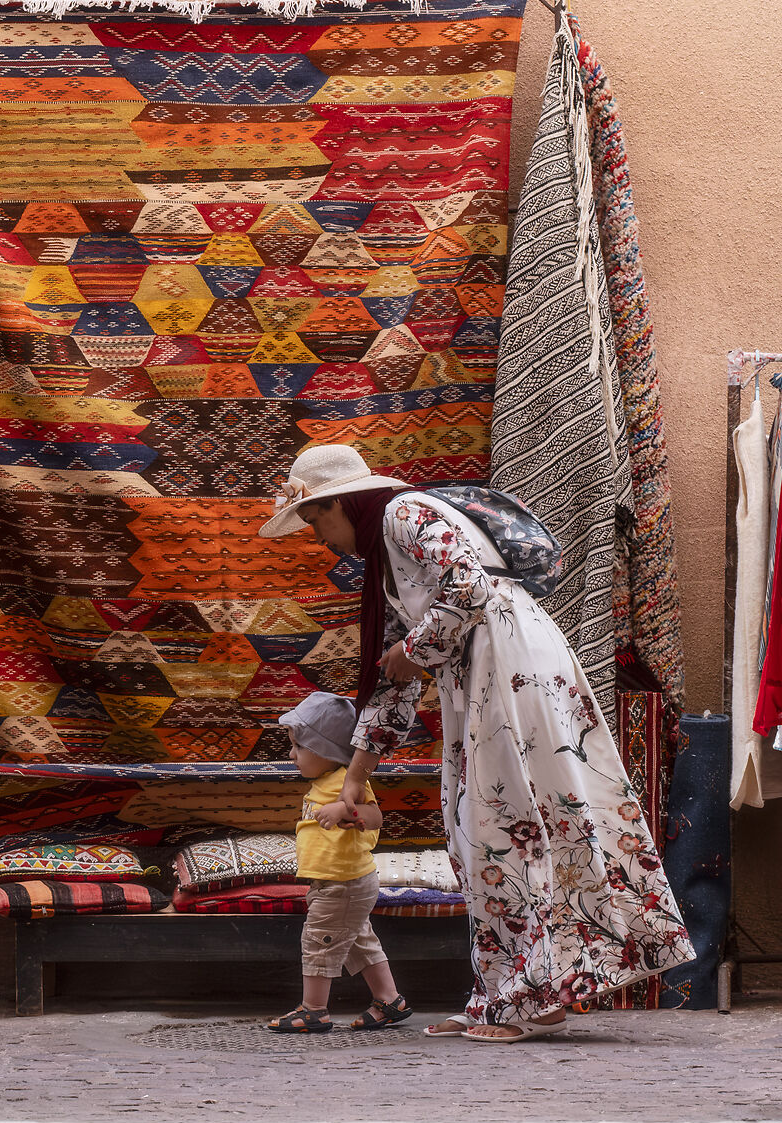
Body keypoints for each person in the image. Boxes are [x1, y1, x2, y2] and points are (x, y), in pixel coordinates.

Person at [260, 444, 694, 1042]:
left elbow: (467, 586)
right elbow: (390, 685)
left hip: (506, 663)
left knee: (497, 822)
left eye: (317, 520)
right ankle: (521, 993)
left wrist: (411, 653)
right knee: (480, 829)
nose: (319, 537)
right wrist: (356, 778)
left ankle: (519, 999)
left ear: (346, 503)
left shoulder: (402, 514)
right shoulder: (387, 567)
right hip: (483, 673)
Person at [265, 691, 416, 1034]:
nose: (292, 755)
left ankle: (314, 1009)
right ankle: (390, 999)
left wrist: (344, 809)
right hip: (339, 882)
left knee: (319, 940)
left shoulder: (347, 781)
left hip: (343, 883)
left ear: (325, 749)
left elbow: (375, 817)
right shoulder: (325, 780)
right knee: (359, 942)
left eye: (298, 747)